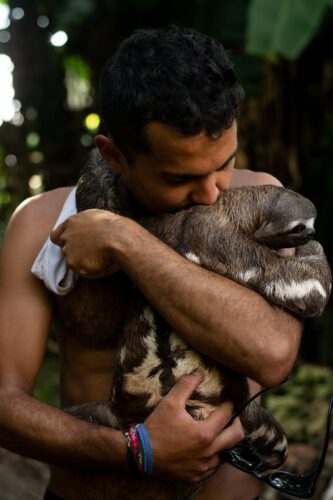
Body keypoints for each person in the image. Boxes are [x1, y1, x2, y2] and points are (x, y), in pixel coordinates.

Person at [0, 26, 302, 499]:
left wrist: (126, 241)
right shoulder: (43, 224)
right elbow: (3, 404)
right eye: (180, 177)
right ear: (114, 155)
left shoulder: (262, 202)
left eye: (224, 163)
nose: (210, 195)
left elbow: (273, 356)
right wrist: (136, 450)